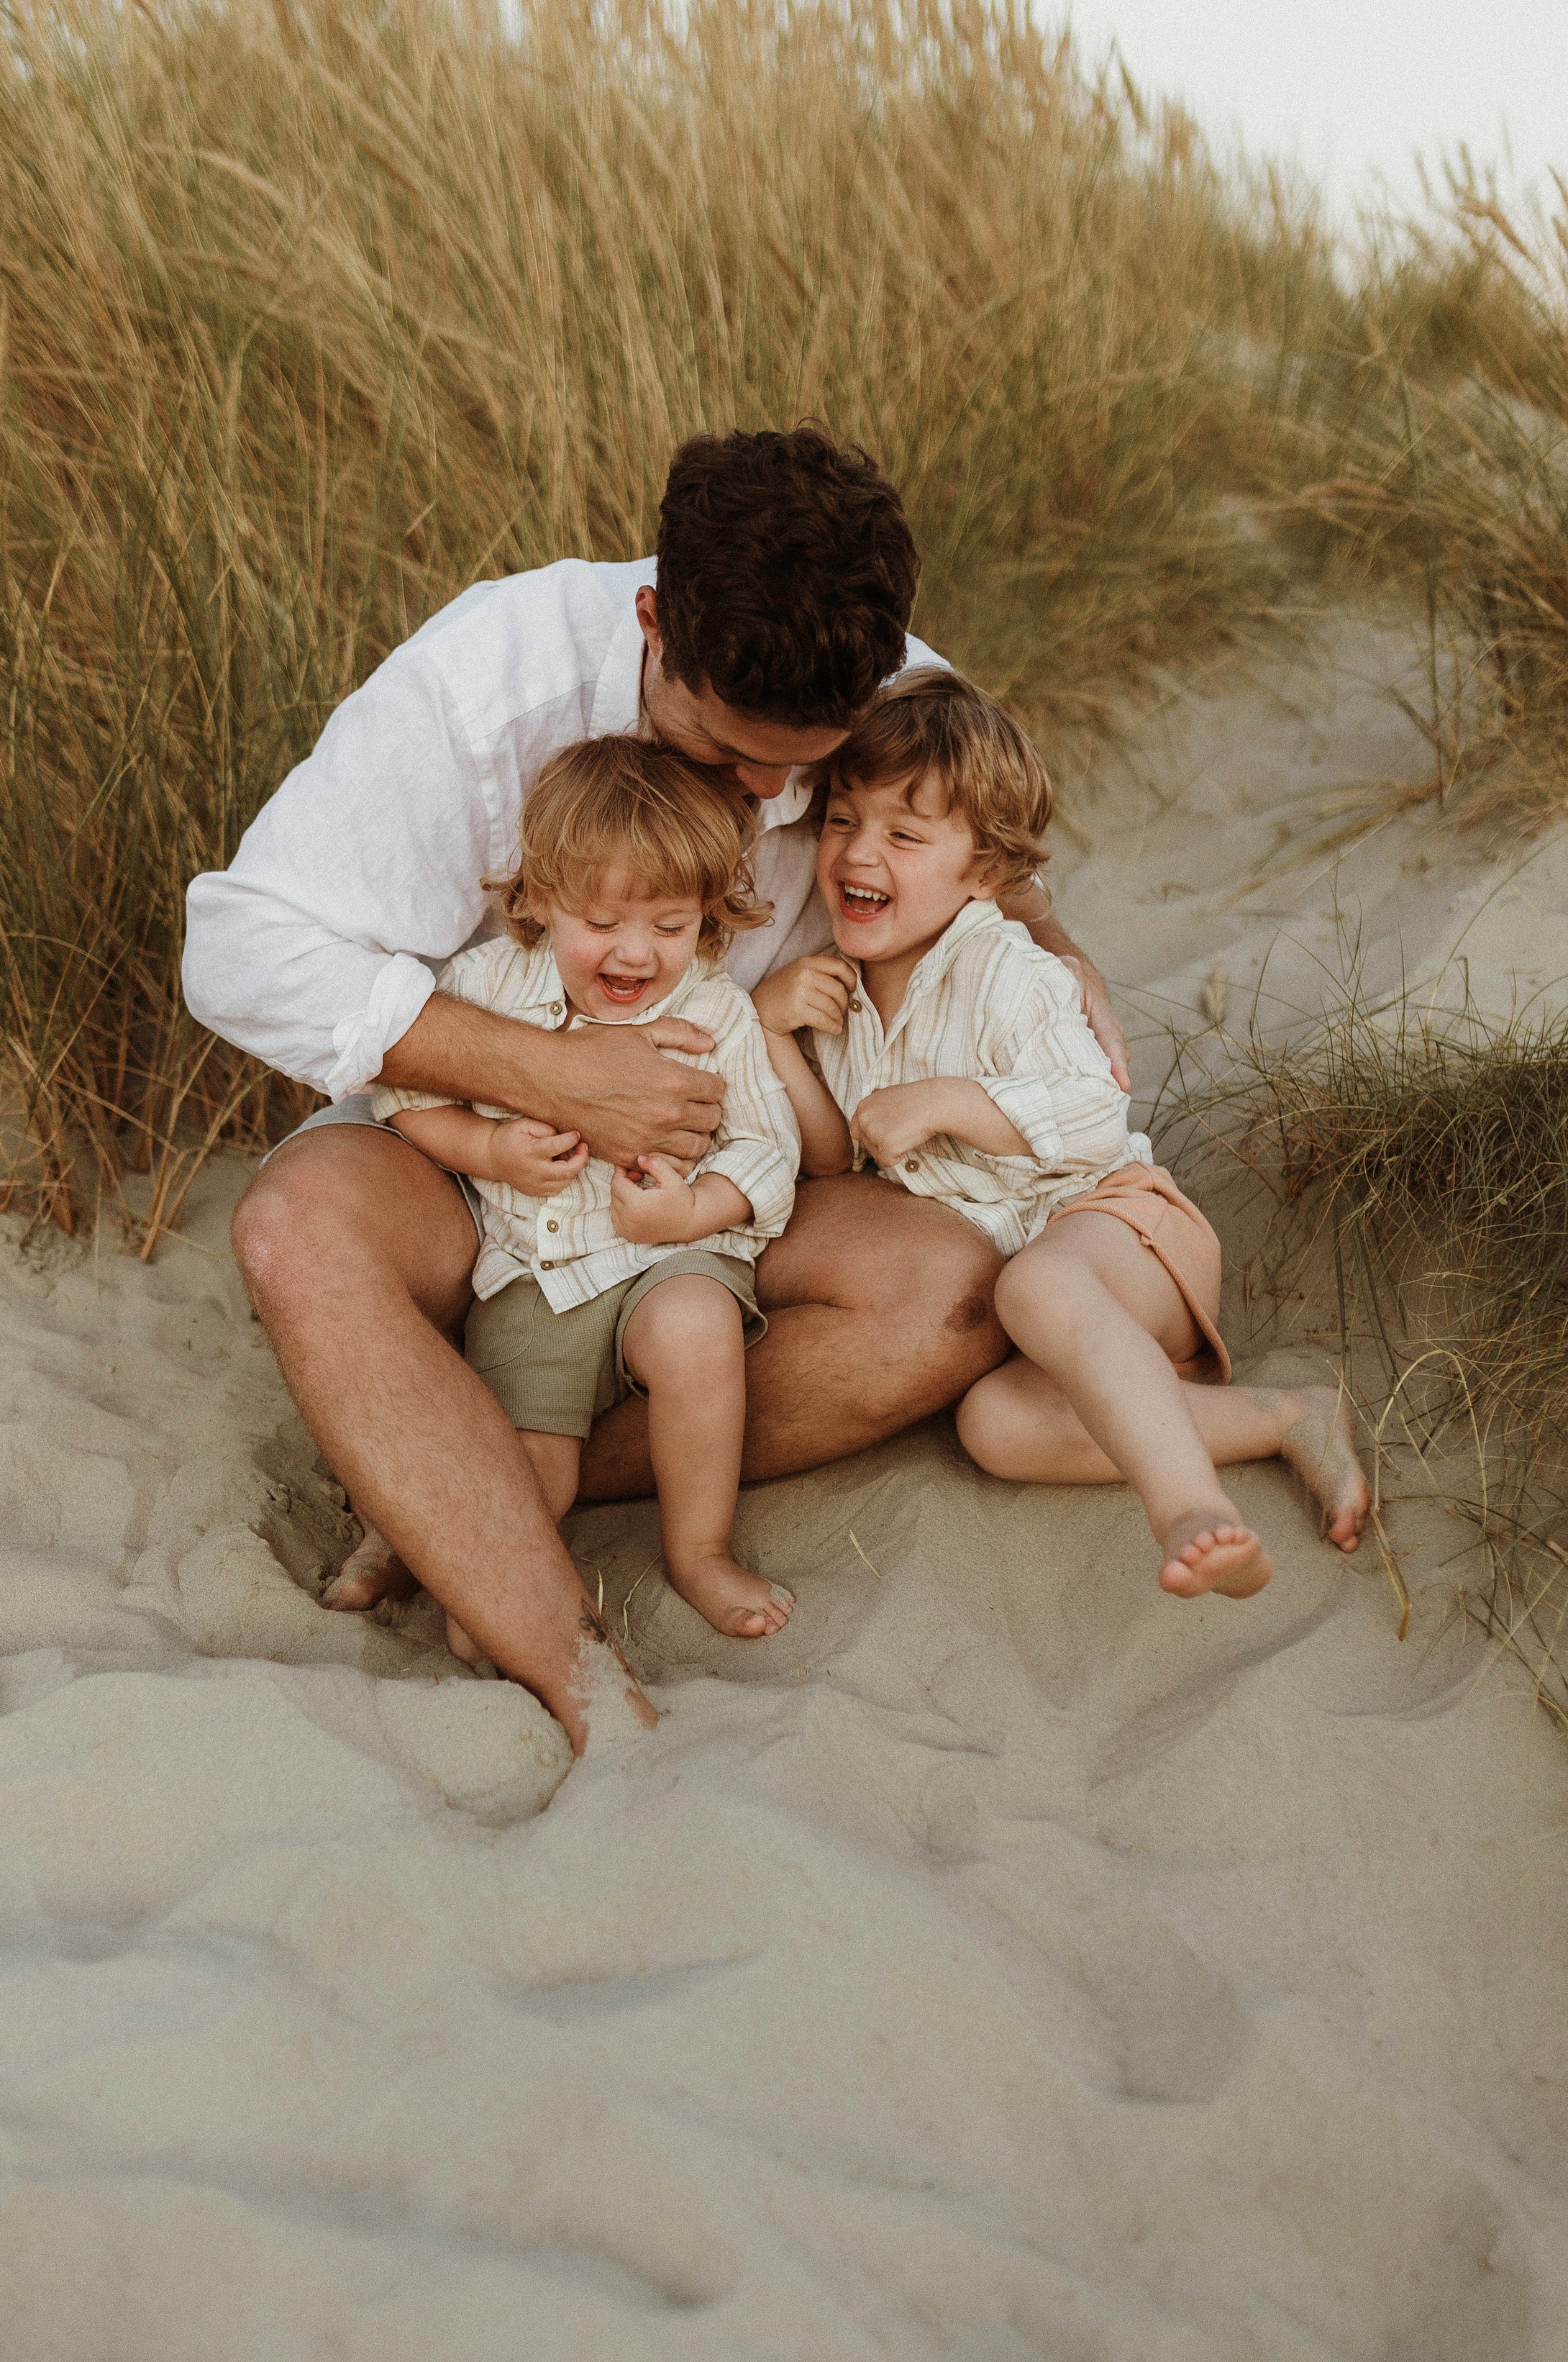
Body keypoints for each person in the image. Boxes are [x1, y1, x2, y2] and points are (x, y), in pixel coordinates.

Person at [186, 428, 1127, 1750]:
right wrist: (556, 1075)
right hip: (483, 1159)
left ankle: (454, 1478)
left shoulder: (901, 687)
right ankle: (580, 1679)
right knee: (293, 1229)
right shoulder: (486, 687)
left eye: (802, 767)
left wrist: (1060, 949)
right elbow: (239, 951)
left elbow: (990, 865)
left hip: (722, 1190)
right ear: (654, 626)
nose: (769, 797)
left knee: (953, 1292)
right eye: (731, 752)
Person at [756, 670, 1371, 1599]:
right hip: (1036, 1324)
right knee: (995, 1428)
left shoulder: (1007, 970)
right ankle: (1283, 1416)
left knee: (1041, 1283)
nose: (858, 852)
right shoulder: (832, 991)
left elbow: (1092, 1113)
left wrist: (952, 1100)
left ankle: (1188, 1508)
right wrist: (773, 1033)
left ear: (986, 873)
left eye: (904, 835)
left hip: (1118, 1231)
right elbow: (834, 1161)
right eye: (841, 820)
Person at [373, 736, 801, 1651]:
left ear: (706, 918)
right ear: (538, 898)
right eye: (602, 922)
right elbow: (403, 1099)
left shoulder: (716, 1010)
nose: (637, 953)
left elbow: (771, 1147)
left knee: (695, 1331)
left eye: (671, 927)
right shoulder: (486, 988)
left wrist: (696, 1210)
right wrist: (490, 1147)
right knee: (539, 1470)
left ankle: (698, 1552)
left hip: (670, 1252)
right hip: (536, 1270)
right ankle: (491, 1590)